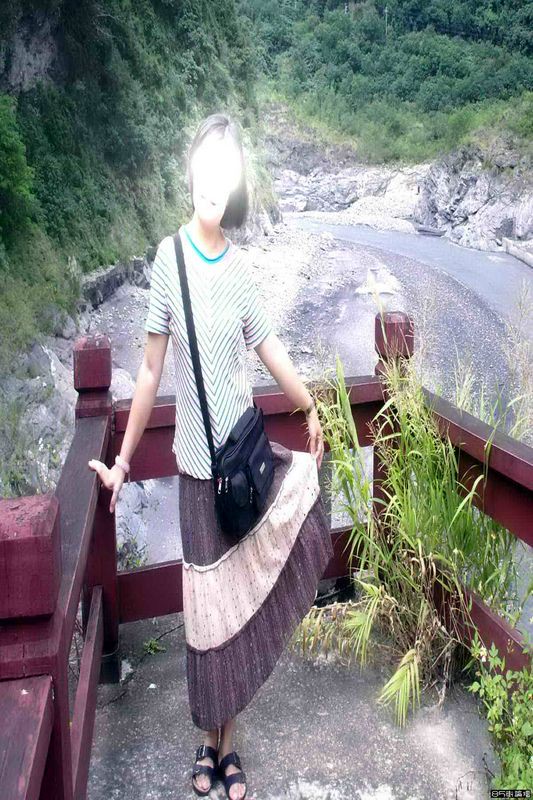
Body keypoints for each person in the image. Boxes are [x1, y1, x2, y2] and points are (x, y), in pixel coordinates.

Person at [88, 112, 334, 800]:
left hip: (243, 468)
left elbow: (269, 346)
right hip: (198, 474)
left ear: (235, 185)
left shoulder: (242, 270)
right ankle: (207, 739)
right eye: (206, 165)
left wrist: (310, 406)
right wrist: (123, 462)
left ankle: (230, 746)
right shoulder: (168, 259)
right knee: (207, 616)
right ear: (191, 171)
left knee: (241, 606)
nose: (212, 182)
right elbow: (147, 371)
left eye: (226, 171)